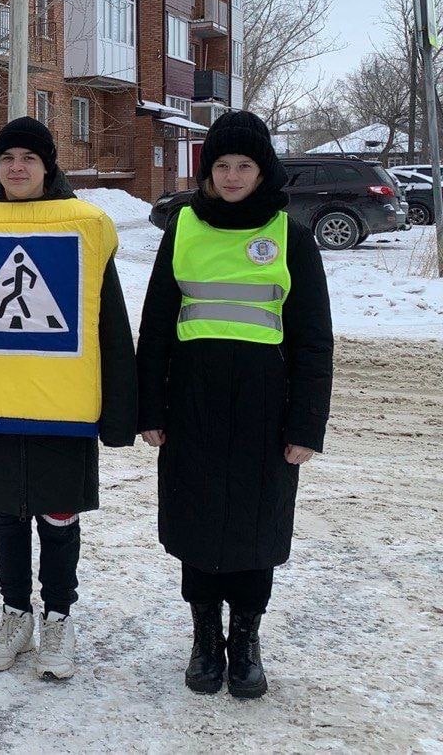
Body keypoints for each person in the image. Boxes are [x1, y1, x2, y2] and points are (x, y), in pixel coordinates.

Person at [0, 117, 138, 681]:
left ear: (48, 167)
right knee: (6, 511)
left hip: (61, 407)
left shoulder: (84, 230)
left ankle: (59, 616)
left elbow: (107, 322)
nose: (17, 168)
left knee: (58, 513)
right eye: (8, 157)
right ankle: (16, 613)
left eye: (29, 159)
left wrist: (121, 409)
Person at [137, 110, 332, 699]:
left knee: (254, 525)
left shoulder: (289, 234)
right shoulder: (183, 229)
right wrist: (151, 410)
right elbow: (156, 327)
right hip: (192, 404)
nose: (230, 175)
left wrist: (306, 425)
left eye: (243, 164)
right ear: (207, 169)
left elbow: (313, 339)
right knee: (196, 522)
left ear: (261, 169)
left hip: (264, 411)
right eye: (220, 164)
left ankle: (244, 640)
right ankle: (204, 639)